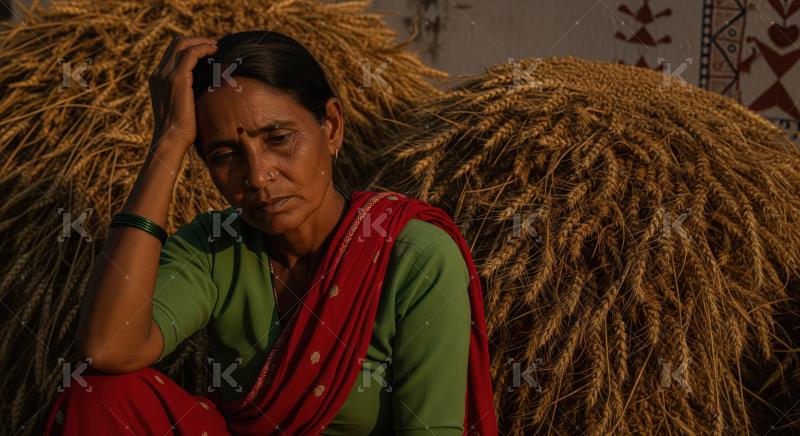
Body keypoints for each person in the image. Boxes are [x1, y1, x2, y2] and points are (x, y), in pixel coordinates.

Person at [45, 30, 497, 435]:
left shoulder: (412, 255)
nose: (257, 175)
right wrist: (167, 142)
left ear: (332, 127)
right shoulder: (215, 246)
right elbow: (107, 349)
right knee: (101, 395)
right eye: (225, 155)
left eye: (278, 139)